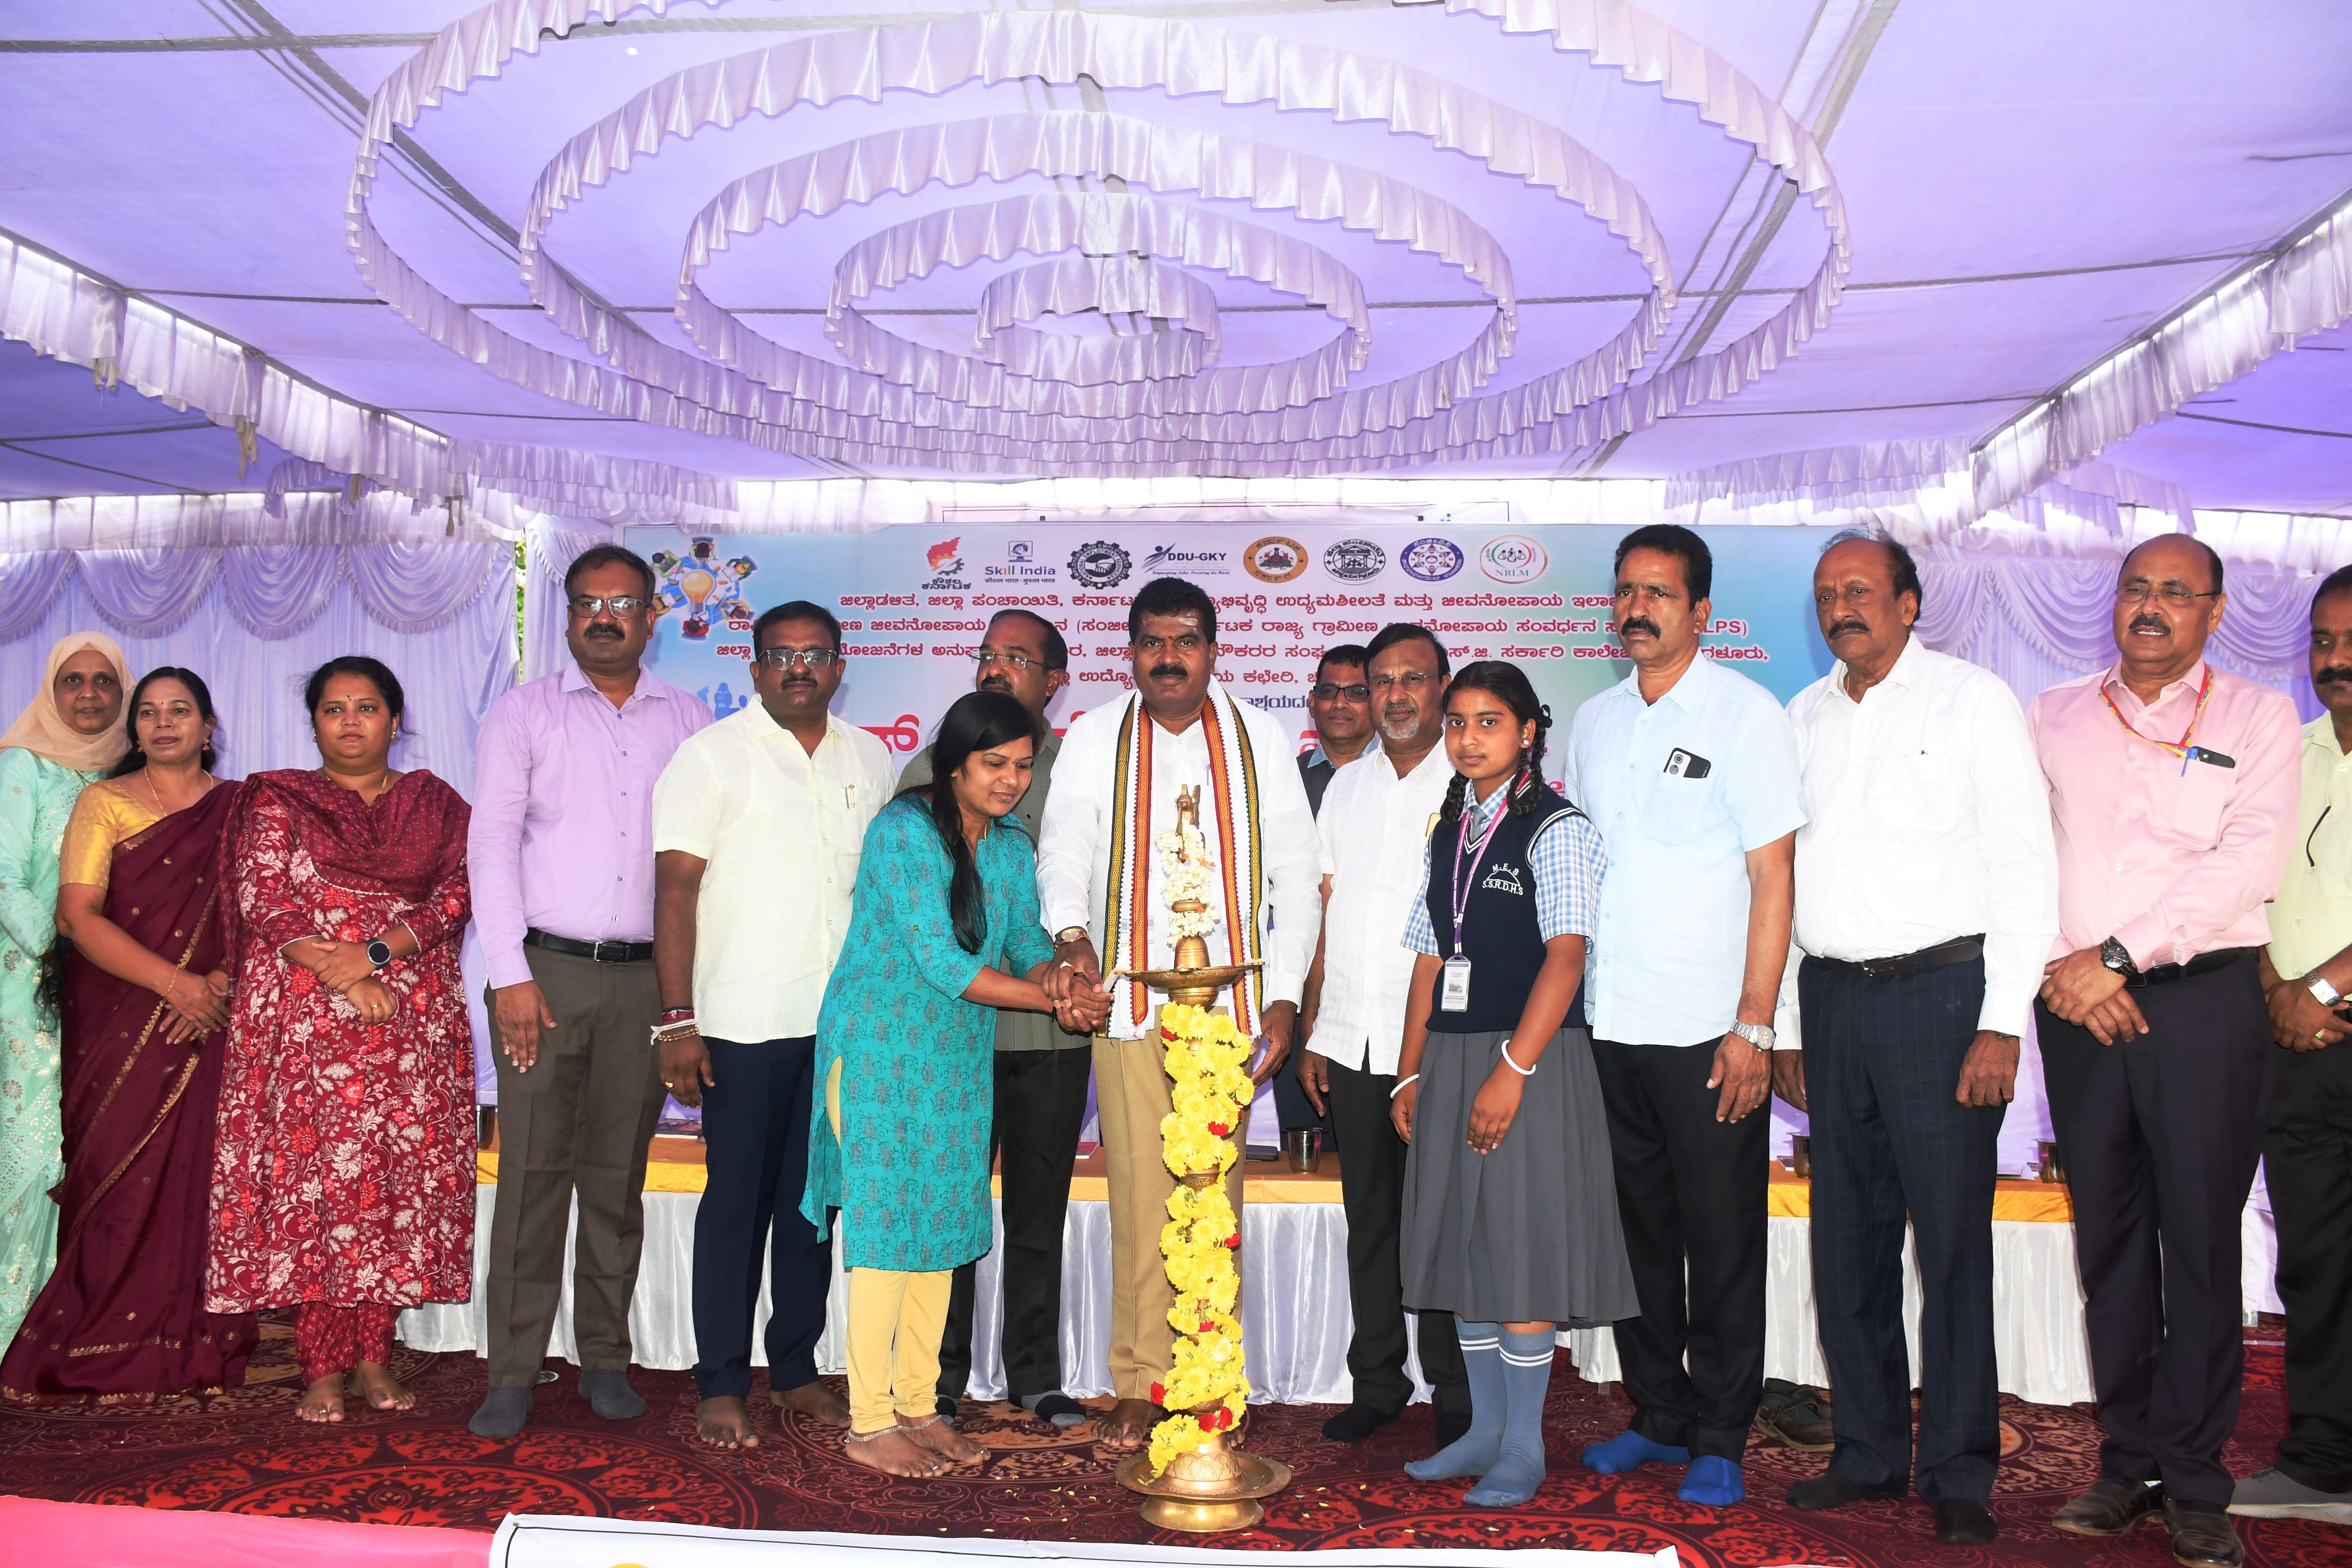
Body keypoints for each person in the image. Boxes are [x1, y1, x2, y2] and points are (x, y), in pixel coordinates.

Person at [1769, 533, 2058, 1546]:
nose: (1839, 608)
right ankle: (1866, 1450)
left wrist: (2000, 1021)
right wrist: (1789, 1023)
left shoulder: (1972, 701)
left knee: (1950, 1244)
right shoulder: (1801, 717)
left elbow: (2024, 866)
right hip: (1831, 998)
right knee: (1846, 1243)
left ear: (1909, 602)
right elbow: (1785, 880)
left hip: (1942, 998)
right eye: (1825, 595)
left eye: (1859, 590)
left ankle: (1959, 1467)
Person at [2031, 535, 2298, 1568]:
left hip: (2200, 1005)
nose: (2151, 606)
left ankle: (2193, 1477)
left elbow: (2248, 862)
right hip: (2077, 1007)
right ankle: (2127, 1459)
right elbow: (2022, 854)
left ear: (2215, 611)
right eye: (2136, 588)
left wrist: (2116, 958)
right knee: (2109, 1242)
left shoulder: (2256, 717)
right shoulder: (2053, 713)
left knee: (2197, 1241)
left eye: (2176, 593)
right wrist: (2069, 970)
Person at [1036, 576, 1321, 1452]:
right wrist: (1072, 935)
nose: (1169, 657)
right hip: (1129, 1002)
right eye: (1154, 641)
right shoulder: (1096, 735)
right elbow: (1064, 844)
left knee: (1213, 1198)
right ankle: (1137, 1379)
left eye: (1186, 640)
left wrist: (1284, 999)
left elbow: (1297, 873)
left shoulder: (1258, 736)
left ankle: (1209, 1372)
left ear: (1212, 649)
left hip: (1230, 1009)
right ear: (1131, 652)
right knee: (1138, 1196)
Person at [803, 691, 1106, 1478]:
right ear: (954, 764)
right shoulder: (903, 831)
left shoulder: (1008, 847)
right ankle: (870, 1421)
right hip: (878, 1053)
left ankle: (919, 1407)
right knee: (885, 1236)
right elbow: (941, 961)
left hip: (954, 1062)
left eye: (1023, 766)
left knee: (940, 1231)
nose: (1011, 780)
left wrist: (1063, 976)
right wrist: (1050, 999)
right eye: (993, 763)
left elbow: (1024, 942)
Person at [1568, 524, 1803, 1509]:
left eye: (1659, 592)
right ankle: (1659, 1411)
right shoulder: (1593, 721)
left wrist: (1755, 1026)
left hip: (1709, 1028)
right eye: (1627, 590)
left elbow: (1774, 876)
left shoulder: (1746, 715)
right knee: (1639, 1234)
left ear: (1701, 611)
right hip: (1611, 1020)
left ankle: (1720, 1430)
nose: (1638, 608)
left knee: (1721, 1237)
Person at [466, 544, 713, 1440]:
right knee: (531, 1178)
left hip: (649, 980)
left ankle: (605, 1358)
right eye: (587, 604)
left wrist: (688, 1002)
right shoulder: (523, 712)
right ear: (567, 616)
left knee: (616, 1180)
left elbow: (703, 864)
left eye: (622, 603)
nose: (604, 618)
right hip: (546, 975)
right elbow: (491, 846)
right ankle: (512, 1371)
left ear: (652, 617)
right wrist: (509, 976)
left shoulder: (689, 719)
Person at [1391, 661, 1636, 1508]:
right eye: (1457, 722)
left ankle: (1524, 1446)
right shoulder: (1449, 829)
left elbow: (1567, 957)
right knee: (1468, 1242)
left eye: (1489, 722)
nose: (1469, 738)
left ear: (1529, 732)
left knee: (1519, 1247)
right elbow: (1430, 958)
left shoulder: (1557, 827)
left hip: (1529, 1061)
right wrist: (1411, 1070)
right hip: (1452, 1056)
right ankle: (1483, 1433)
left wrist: (1513, 1069)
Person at [207, 656, 477, 1424]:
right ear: (315, 723)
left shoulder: (436, 803)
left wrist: (377, 954)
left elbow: (459, 893)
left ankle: (373, 1356)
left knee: (387, 1187)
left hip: (408, 1023)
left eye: (366, 707)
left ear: (395, 719)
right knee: (319, 1189)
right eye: (334, 708)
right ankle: (321, 1367)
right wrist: (346, 975)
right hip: (307, 1024)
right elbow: (264, 897)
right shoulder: (280, 799)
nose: (351, 721)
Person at [653, 600, 895, 1449]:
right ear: (755, 668)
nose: (799, 668)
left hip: (840, 1029)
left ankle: (793, 1368)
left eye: (815, 654)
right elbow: (675, 888)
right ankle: (721, 1380)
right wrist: (676, 1021)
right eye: (782, 655)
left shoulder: (871, 756)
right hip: (742, 1023)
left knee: (812, 1208)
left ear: (839, 667)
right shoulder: (710, 756)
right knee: (736, 1206)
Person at [2, 669, 258, 1402]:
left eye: (180, 710)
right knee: (113, 1170)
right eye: (149, 712)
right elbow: (77, 916)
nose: (164, 723)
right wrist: (178, 984)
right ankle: (95, 1338)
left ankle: (192, 1338)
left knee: (198, 1176)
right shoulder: (105, 801)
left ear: (208, 727)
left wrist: (219, 983)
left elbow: (264, 910)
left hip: (212, 1010)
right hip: (118, 1007)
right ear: (135, 729)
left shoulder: (243, 807)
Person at [902, 611, 1091, 1432]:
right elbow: (931, 937)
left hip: (1052, 1035)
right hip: (959, 1035)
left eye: (1017, 657)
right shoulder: (929, 769)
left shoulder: (1081, 769)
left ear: (1055, 682)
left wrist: (1067, 981)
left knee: (1039, 1211)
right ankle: (938, 1375)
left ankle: (1036, 1376)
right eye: (989, 653)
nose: (996, 667)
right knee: (951, 1206)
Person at [1295, 623, 1472, 1447]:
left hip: (1439, 1042)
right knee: (1368, 1217)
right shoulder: (1345, 787)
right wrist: (1315, 1027)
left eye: (1413, 679)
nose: (1396, 695)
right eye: (1382, 682)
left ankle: (1455, 1389)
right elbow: (1324, 912)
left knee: (1441, 1221)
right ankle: (1378, 1380)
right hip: (1353, 1036)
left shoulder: (1471, 783)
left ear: (1443, 688)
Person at [2235, 564, 2352, 1528]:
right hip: (2297, 1045)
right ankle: (2323, 1462)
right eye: (2323, 640)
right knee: (2315, 1260)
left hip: (2326, 1013)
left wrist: (2319, 988)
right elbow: (2250, 878)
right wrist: (2279, 989)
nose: (2336, 658)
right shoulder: (2292, 752)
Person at [0, 632, 127, 1349]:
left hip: (114, 992)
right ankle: (15, 1321)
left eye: (104, 682)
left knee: (94, 1145)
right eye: (72, 680)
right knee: (37, 1146)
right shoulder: (22, 765)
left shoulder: (128, 771)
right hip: (32, 988)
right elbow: (5, 879)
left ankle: (73, 1318)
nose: (88, 694)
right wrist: (63, 955)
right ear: (51, 691)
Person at [1297, 645, 1375, 813]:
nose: (1340, 704)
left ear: (1376, 703)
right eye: (1328, 691)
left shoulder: (1400, 772)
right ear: (1313, 702)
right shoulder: (1289, 775)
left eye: (1356, 693)